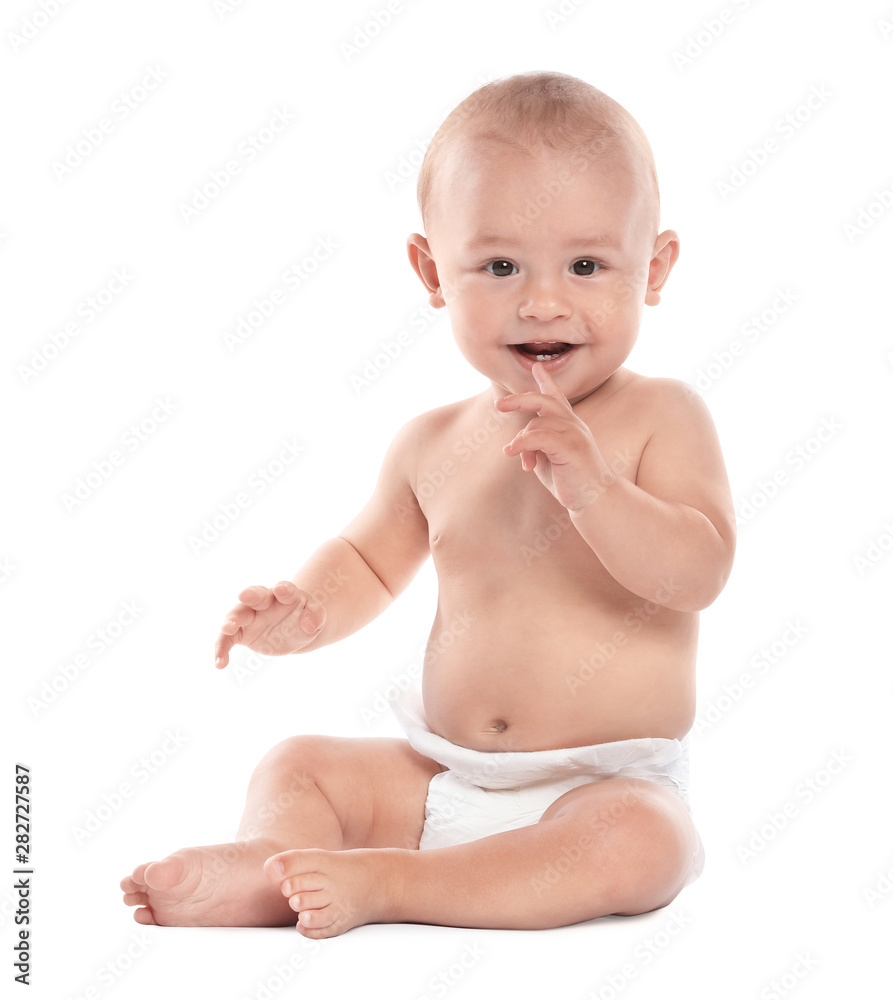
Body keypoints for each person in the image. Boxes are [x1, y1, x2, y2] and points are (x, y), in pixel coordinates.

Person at [121, 70, 735, 937]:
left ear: (655, 268)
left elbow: (696, 571)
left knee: (642, 844)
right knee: (296, 763)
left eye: (587, 264)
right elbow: (367, 562)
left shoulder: (659, 416)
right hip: (443, 777)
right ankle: (271, 866)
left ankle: (389, 887)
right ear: (431, 270)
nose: (542, 299)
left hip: (603, 784)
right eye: (498, 265)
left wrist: (593, 487)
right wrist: (305, 611)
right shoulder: (430, 442)